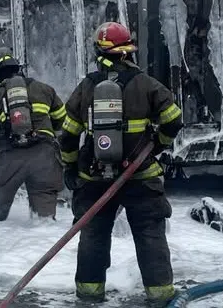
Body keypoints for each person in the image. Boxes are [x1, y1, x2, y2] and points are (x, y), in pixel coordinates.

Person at [59, 22, 184, 306]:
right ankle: (161, 297)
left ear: (98, 51)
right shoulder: (147, 84)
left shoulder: (87, 87)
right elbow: (174, 120)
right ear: (128, 50)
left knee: (93, 235)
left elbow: (67, 135)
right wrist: (158, 144)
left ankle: (89, 296)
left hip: (93, 179)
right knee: (150, 235)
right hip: (140, 175)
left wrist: (69, 168)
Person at [0, 54, 67, 221]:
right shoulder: (44, 89)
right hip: (44, 156)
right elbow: (62, 120)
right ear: (19, 70)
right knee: (44, 219)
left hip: (10, 157)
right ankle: (43, 244)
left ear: (0, 76)